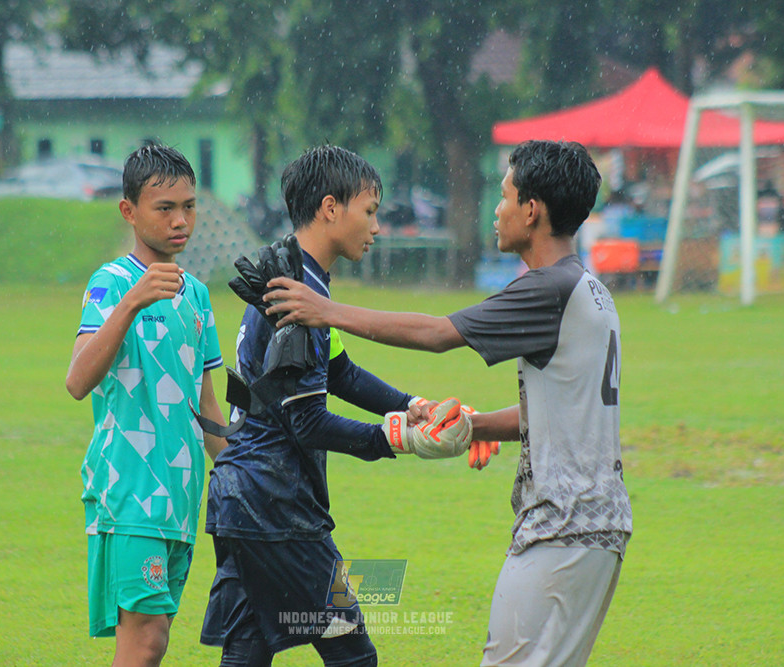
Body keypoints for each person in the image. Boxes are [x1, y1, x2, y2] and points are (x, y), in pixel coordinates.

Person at [263, 140, 632, 667]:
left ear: (532, 211)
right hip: (593, 525)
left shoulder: (548, 288)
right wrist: (476, 427)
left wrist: (328, 311)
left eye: (504, 197)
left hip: (565, 528)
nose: (498, 210)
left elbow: (437, 333)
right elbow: (552, 412)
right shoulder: (589, 289)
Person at [200, 145, 474, 666]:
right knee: (352, 652)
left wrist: (408, 404)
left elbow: (339, 371)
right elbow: (307, 423)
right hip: (275, 503)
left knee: (249, 648)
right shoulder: (298, 293)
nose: (376, 227)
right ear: (330, 208)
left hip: (239, 494)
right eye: (368, 212)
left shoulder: (292, 274)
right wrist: (399, 439)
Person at [65, 144, 229, 667]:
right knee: (145, 642)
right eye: (165, 208)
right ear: (128, 211)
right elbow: (77, 380)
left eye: (189, 206)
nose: (181, 220)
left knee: (152, 644)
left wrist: (237, 472)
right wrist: (134, 299)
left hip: (182, 497)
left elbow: (207, 408)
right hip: (130, 492)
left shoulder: (198, 295)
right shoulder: (109, 284)